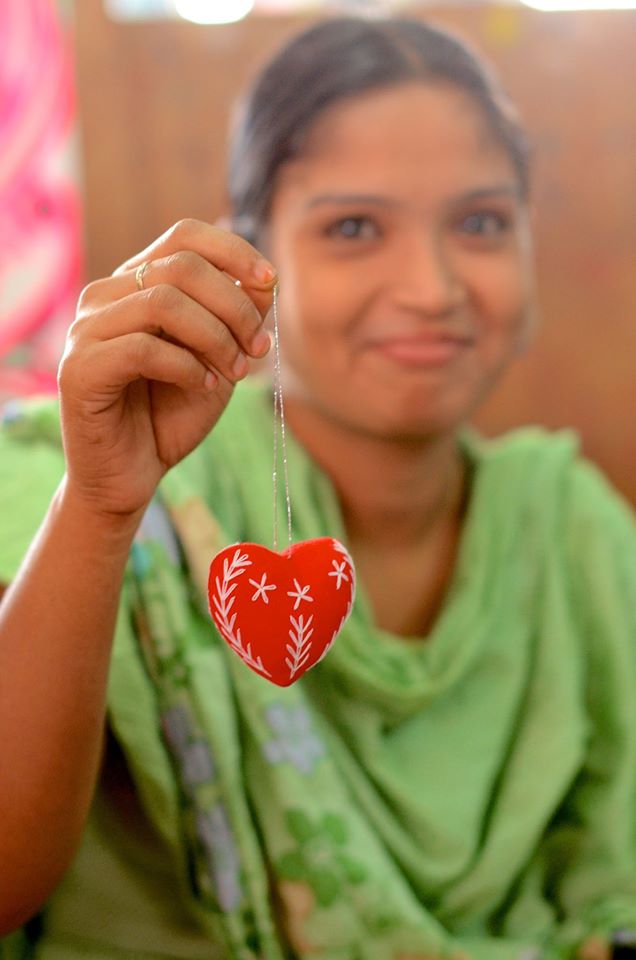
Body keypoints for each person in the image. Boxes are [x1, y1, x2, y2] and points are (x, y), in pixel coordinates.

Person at [1, 14, 636, 960]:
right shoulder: (81, 480)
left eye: (480, 222)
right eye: (352, 227)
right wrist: (98, 511)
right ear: (255, 259)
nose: (430, 285)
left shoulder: (571, 524)